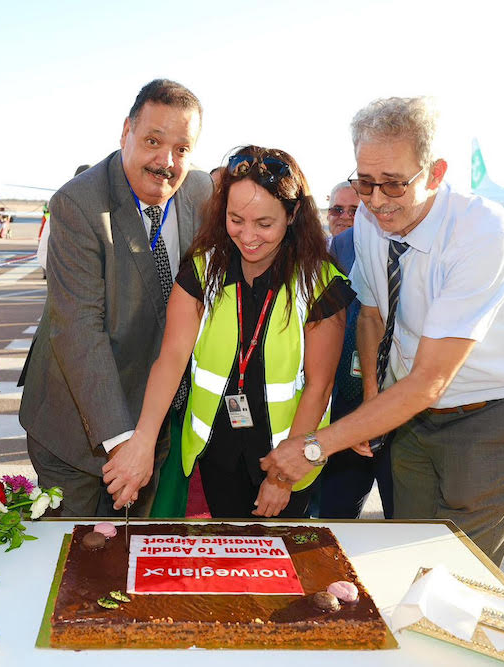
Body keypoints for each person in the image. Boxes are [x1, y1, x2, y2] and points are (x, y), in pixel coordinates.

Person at [261, 97, 504, 566]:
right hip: (410, 408)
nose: (376, 200)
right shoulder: (370, 222)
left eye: (394, 183)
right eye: (364, 182)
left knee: (461, 567)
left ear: (435, 174)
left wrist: (314, 447)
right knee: (410, 546)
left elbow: (431, 380)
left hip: (490, 410)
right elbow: (372, 316)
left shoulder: (481, 233)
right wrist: (374, 396)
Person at [104, 146, 352, 518]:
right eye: (236, 219)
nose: (248, 235)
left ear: (293, 214)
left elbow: (320, 386)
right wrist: (143, 440)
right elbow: (171, 358)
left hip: (286, 455)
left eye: (264, 224)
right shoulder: (203, 269)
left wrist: (282, 477)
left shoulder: (320, 283)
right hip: (218, 453)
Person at [19, 79, 212, 517]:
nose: (166, 162)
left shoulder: (200, 193)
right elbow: (80, 329)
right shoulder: (80, 203)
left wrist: (144, 439)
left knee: (130, 547)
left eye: (182, 149)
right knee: (72, 549)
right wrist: (124, 444)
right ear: (126, 131)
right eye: (153, 141)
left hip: (151, 419)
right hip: (76, 426)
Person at [314, 189, 394, 520]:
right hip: (342, 403)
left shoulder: (400, 247)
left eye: (354, 210)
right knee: (335, 514)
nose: (346, 218)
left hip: (394, 401)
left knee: (403, 514)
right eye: (338, 210)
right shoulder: (325, 253)